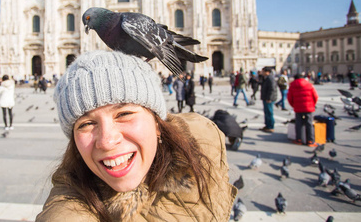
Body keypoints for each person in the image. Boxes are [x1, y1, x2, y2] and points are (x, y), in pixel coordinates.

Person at [37, 51, 236, 221]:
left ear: (158, 122)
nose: (107, 141)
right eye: (87, 123)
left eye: (124, 114)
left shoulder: (207, 147)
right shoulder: (70, 204)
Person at [287, 73, 319, 147]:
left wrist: (294, 105)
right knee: (309, 124)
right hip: (309, 107)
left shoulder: (292, 86)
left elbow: (289, 98)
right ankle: (310, 141)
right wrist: (312, 104)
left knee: (298, 124)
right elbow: (315, 96)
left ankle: (299, 140)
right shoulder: (309, 84)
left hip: (298, 108)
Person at [260, 67, 277, 133]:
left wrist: (269, 98)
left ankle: (271, 126)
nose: (262, 73)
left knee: (269, 112)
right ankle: (267, 125)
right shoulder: (266, 78)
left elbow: (272, 89)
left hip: (268, 99)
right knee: (266, 112)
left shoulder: (270, 78)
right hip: (266, 98)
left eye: (263, 71)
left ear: (267, 72)